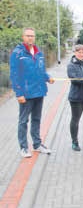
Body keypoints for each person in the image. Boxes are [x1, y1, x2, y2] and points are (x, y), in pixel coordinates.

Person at [9, 27, 54, 158]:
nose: (30, 38)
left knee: (36, 119)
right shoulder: (18, 53)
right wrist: (19, 93)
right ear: (23, 37)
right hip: (26, 93)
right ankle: (23, 147)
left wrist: (47, 77)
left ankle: (37, 144)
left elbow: (41, 70)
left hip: (39, 91)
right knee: (23, 121)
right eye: (28, 35)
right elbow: (14, 74)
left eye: (32, 36)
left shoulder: (38, 52)